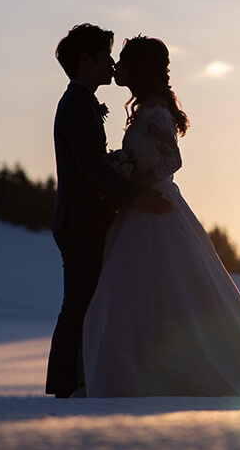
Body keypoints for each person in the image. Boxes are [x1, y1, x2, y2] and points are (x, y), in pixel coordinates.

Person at [82, 36, 240, 396]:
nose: (117, 66)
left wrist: (133, 181)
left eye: (123, 60)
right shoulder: (149, 108)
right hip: (143, 207)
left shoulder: (154, 110)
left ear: (138, 68)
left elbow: (170, 159)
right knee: (133, 296)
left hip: (153, 209)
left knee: (148, 293)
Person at [45, 24, 172, 398]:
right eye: (105, 58)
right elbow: (90, 166)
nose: (112, 64)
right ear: (86, 61)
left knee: (90, 299)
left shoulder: (81, 102)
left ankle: (81, 378)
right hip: (79, 221)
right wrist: (134, 195)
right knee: (81, 300)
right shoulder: (76, 105)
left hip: (88, 219)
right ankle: (68, 384)